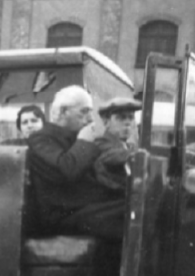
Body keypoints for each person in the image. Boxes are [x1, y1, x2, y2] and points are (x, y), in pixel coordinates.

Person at [26, 85, 127, 240]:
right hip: (62, 216)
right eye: (84, 112)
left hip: (82, 209)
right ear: (63, 112)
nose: (90, 119)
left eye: (90, 112)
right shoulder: (40, 139)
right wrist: (84, 142)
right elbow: (66, 170)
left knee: (135, 204)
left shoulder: (76, 137)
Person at [93, 97, 142, 190]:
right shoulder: (101, 143)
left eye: (131, 118)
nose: (127, 122)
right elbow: (114, 155)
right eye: (121, 118)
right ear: (106, 122)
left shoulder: (130, 147)